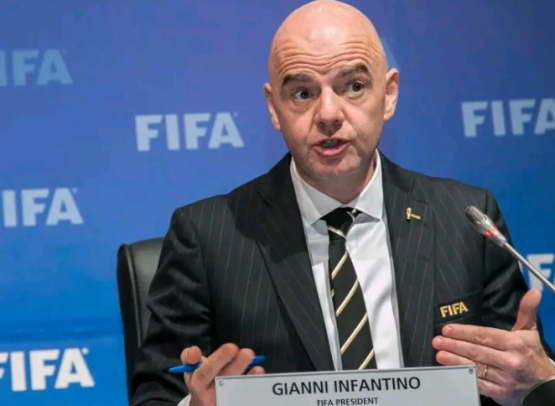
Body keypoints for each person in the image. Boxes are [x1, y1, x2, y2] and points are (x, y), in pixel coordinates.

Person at [129, 1, 555, 405]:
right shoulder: (207, 237)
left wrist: (540, 381)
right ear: (273, 108)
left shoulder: (466, 220)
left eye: (353, 87)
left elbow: (522, 374)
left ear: (389, 94)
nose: (329, 114)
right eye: (302, 93)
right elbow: (156, 394)